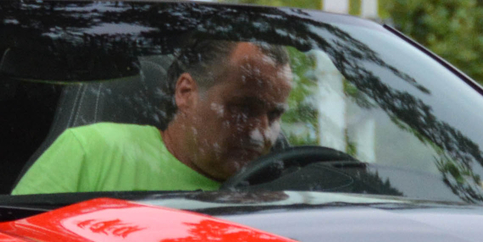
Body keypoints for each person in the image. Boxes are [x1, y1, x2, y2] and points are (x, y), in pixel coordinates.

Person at [15, 37, 293, 194]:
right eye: (243, 109)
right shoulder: (92, 151)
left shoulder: (285, 191)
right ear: (186, 93)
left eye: (274, 114)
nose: (262, 132)